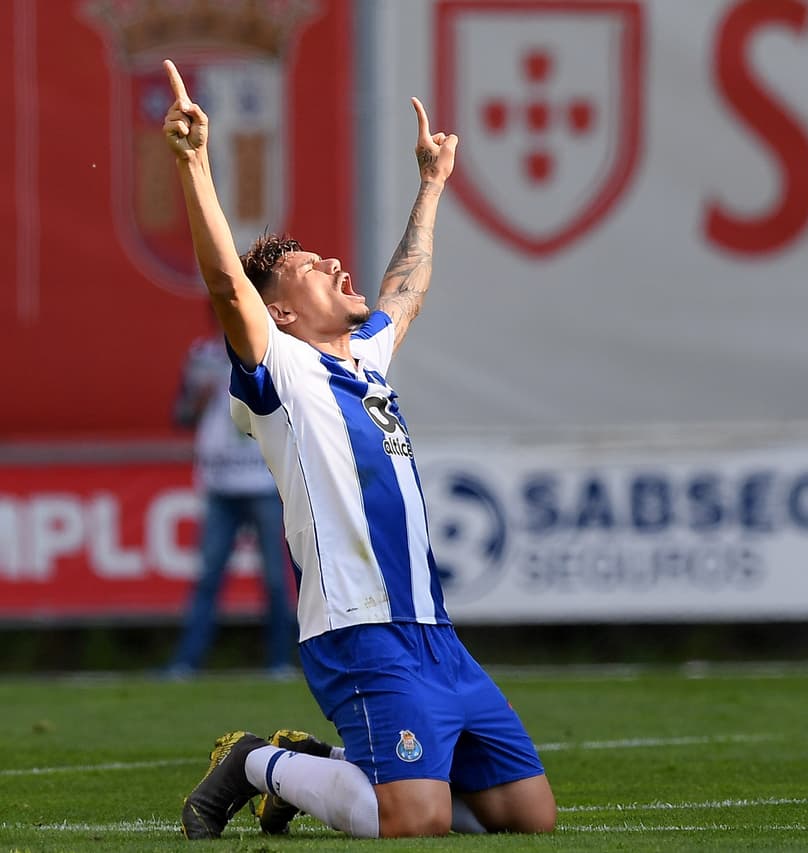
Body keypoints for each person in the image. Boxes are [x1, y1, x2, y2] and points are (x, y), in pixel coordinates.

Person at [160, 59, 556, 839]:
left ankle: (327, 761)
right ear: (280, 312)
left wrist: (432, 186)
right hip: (358, 627)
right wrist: (195, 161)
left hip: (434, 633)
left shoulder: (363, 355)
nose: (337, 265)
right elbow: (225, 284)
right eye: (312, 268)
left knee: (529, 818)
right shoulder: (279, 366)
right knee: (415, 821)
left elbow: (407, 286)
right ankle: (254, 762)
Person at [167, 316, 294, 677]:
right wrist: (198, 400)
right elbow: (181, 414)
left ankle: (280, 662)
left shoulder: (273, 353)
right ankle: (187, 663)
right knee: (208, 577)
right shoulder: (203, 355)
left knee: (274, 579)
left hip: (262, 481)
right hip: (220, 482)